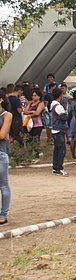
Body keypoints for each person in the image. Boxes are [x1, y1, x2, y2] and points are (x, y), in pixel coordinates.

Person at [49, 88, 69, 176]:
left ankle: (55, 166)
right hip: (59, 129)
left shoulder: (52, 105)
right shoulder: (58, 106)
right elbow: (64, 117)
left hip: (54, 129)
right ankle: (59, 168)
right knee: (61, 149)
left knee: (56, 149)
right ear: (60, 95)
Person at [0, 93, 12, 225]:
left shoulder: (7, 115)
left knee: (3, 185)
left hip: (1, 153)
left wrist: (3, 135)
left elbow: (2, 134)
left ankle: (3, 214)